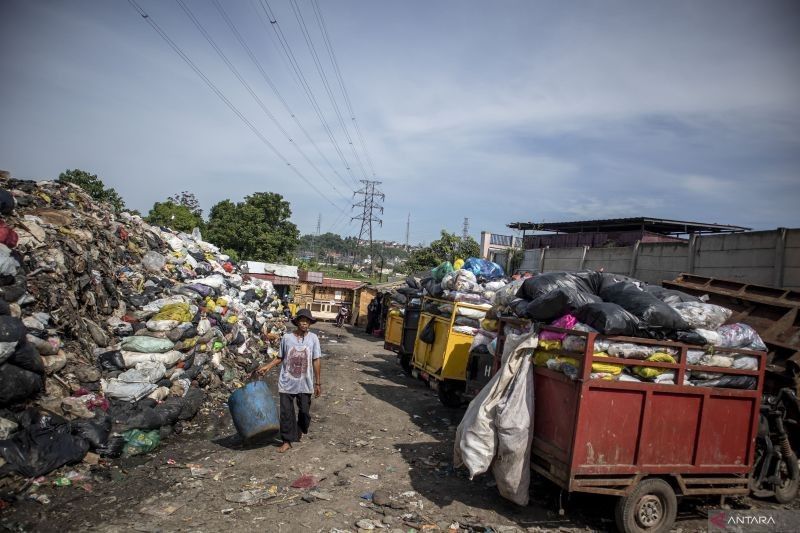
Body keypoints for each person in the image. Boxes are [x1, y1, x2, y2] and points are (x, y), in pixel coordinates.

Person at [255, 308, 321, 452]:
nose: (305, 323)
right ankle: (286, 440)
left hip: (306, 383)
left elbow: (316, 360)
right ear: (297, 322)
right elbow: (280, 357)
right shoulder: (287, 338)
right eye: (302, 320)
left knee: (304, 411)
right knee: (286, 413)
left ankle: (300, 428)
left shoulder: (313, 339)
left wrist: (317, 382)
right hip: (287, 382)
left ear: (310, 323)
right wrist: (267, 367)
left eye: (307, 321)